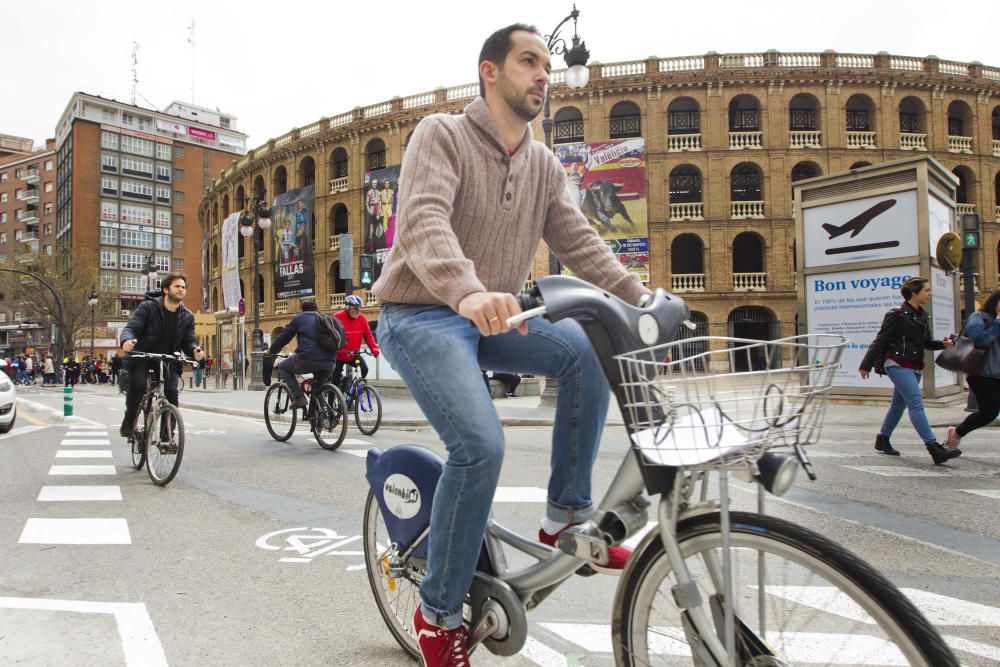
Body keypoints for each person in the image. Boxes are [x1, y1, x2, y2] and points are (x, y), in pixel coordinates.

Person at [369, 24, 650, 666]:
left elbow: (578, 241)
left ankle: (565, 517)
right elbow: (422, 220)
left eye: (547, 65)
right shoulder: (441, 134)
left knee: (586, 346)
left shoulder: (545, 163)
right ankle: (437, 612)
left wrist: (639, 298)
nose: (544, 75)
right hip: (422, 315)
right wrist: (467, 291)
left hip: (494, 317)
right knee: (482, 445)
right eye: (530, 61)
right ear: (489, 72)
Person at [859, 276, 959, 464]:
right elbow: (880, 340)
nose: (930, 293)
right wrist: (866, 365)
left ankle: (883, 439)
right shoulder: (896, 314)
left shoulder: (922, 315)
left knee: (898, 405)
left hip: (914, 364)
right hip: (896, 363)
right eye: (927, 290)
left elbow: (925, 343)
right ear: (914, 293)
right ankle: (934, 448)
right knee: (915, 403)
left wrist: (943, 345)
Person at [119, 272, 203, 438]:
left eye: (183, 287)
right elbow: (132, 328)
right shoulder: (148, 307)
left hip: (168, 360)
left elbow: (189, 340)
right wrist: (127, 341)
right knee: (138, 384)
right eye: (177, 286)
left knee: (172, 391)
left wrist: (195, 350)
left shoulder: (187, 316)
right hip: (142, 356)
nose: (181, 290)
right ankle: (129, 419)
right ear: (166, 289)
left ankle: (167, 436)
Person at [943, 288, 1000, 450]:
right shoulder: (978, 318)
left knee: (989, 413)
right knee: (988, 414)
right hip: (983, 375)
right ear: (996, 301)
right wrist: (997, 323)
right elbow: (979, 340)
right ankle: (957, 432)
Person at [265, 300, 338, 410]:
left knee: (283, 367)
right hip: (330, 362)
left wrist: (271, 351)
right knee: (318, 389)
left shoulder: (299, 318)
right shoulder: (325, 318)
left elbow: (284, 338)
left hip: (308, 358)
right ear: (316, 309)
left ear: (302, 310)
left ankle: (299, 397)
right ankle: (321, 419)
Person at [331, 294, 379, 390]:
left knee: (364, 369)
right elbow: (331, 337)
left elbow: (368, 335)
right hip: (339, 355)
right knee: (335, 382)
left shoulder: (361, 318)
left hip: (353, 354)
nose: (357, 311)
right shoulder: (337, 317)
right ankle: (332, 401)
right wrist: (338, 349)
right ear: (347, 307)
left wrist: (374, 348)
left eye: (359, 309)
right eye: (355, 309)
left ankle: (353, 392)